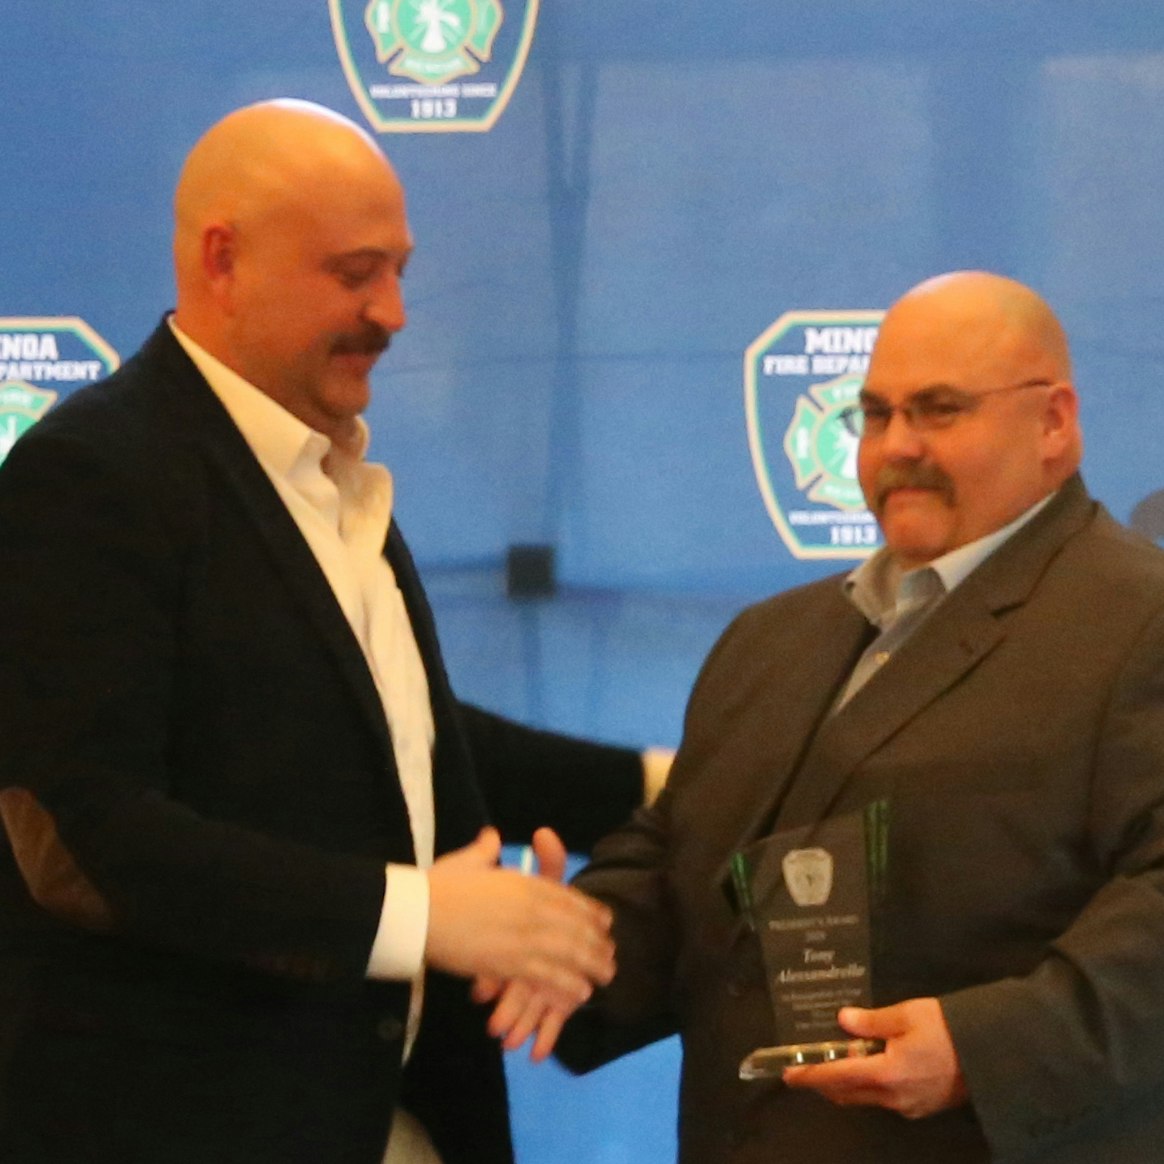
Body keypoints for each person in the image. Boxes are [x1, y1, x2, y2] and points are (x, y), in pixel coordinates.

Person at [0, 99, 658, 1164]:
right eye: (355, 274)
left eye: (399, 269)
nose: (394, 312)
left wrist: (664, 783)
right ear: (223, 260)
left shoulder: (325, 475)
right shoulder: (94, 478)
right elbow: (83, 836)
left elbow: (410, 745)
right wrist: (420, 917)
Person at [548, 271, 1164, 1161]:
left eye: (939, 411)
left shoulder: (1140, 621)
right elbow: (681, 860)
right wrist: (561, 947)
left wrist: (981, 1051)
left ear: (1054, 424)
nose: (895, 447)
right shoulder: (768, 640)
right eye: (874, 416)